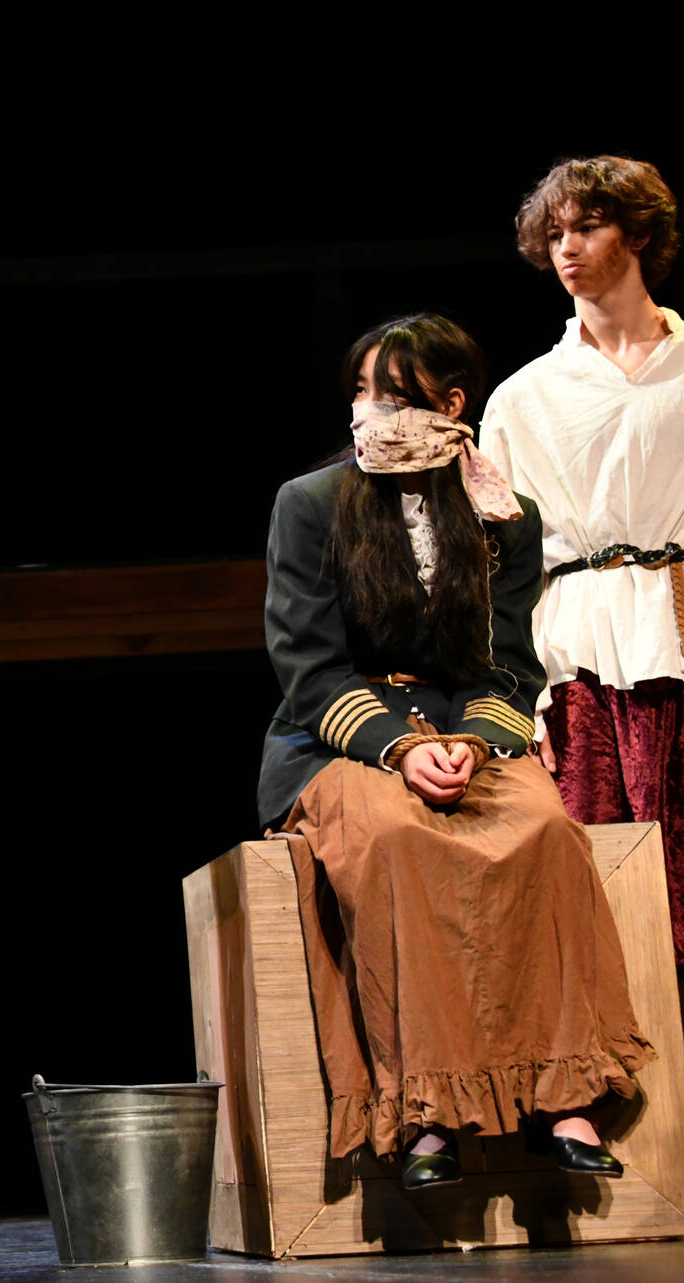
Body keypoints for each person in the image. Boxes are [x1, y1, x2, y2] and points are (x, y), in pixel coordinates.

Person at [259, 315, 655, 1192]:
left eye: (393, 395)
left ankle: (565, 1096)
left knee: (546, 829)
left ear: (450, 405)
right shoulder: (311, 503)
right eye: (362, 392)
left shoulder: (504, 516)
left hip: (465, 733)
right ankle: (426, 1111)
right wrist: (400, 748)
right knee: (400, 839)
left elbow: (508, 664)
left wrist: (473, 742)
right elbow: (308, 668)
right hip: (341, 741)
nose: (370, 411)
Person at [476, 155, 683, 979]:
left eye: (588, 226)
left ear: (636, 233)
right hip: (578, 651)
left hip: (674, 623)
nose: (567, 246)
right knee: (602, 872)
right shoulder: (525, 397)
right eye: (555, 232)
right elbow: (499, 565)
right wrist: (516, 694)